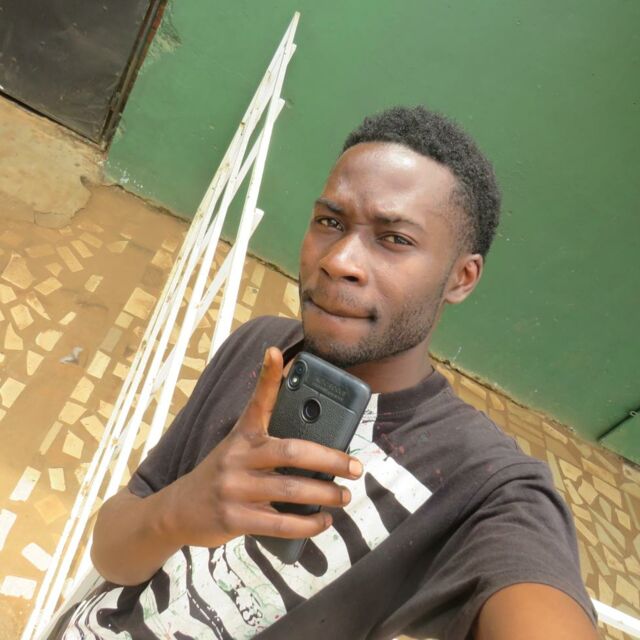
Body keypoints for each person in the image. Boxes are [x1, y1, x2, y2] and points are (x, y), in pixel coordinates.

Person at [58, 107, 597, 639]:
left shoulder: (483, 486)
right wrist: (178, 510)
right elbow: (111, 553)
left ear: (461, 278)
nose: (339, 260)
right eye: (330, 222)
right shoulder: (262, 346)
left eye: (394, 238)